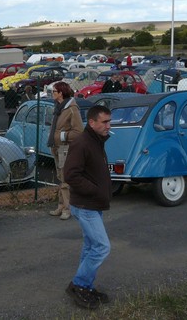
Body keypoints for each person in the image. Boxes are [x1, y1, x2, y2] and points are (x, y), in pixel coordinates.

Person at [63, 105, 112, 309]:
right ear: (92, 123)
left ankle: (83, 285)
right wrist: (94, 190)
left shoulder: (96, 141)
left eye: (109, 121)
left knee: (91, 246)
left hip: (93, 204)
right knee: (102, 247)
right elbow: (71, 175)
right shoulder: (82, 143)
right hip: (86, 205)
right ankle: (80, 285)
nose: (109, 126)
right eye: (105, 122)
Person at [48, 82, 84, 221]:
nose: (52, 94)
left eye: (54, 91)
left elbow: (79, 131)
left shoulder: (71, 109)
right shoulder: (59, 108)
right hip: (56, 147)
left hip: (65, 148)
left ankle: (67, 209)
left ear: (61, 93)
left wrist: (63, 136)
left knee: (65, 179)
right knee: (60, 177)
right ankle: (61, 206)